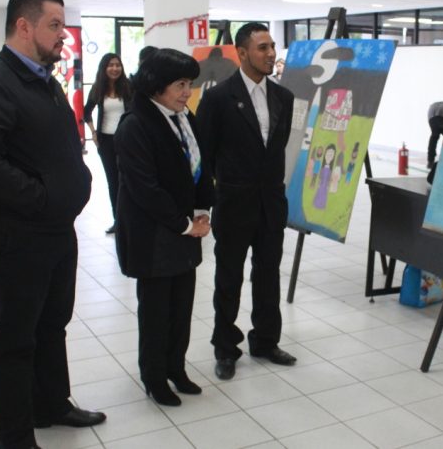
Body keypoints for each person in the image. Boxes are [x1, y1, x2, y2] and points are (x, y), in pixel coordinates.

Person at [0, 0, 104, 449]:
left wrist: (74, 182)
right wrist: (42, 197)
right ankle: (16, 437)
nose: (63, 35)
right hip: (13, 235)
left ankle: (52, 404)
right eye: (54, 25)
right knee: (15, 339)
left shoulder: (44, 80)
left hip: (54, 231)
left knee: (52, 324)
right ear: (24, 26)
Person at [114, 48, 214, 406]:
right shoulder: (135, 124)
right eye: (180, 85)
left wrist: (202, 211)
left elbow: (200, 167)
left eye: (189, 84)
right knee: (156, 312)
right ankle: (154, 377)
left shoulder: (183, 117)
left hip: (185, 231)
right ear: (156, 85)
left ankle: (176, 368)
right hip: (155, 234)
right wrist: (185, 225)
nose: (188, 92)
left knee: (181, 307)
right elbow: (145, 188)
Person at [196, 22, 296, 381]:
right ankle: (226, 347)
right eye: (262, 48)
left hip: (271, 203)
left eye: (272, 47)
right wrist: (206, 204)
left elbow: (276, 150)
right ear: (241, 53)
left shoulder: (283, 97)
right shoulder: (218, 98)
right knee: (228, 279)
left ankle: (266, 340)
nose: (271, 54)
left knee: (268, 275)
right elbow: (204, 156)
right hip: (234, 203)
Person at [83, 53, 132, 234]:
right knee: (113, 181)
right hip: (106, 141)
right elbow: (86, 112)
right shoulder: (98, 88)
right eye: (110, 65)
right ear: (104, 68)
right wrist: (93, 132)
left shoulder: (128, 87)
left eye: (117, 65)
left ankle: (130, 219)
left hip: (126, 141)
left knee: (127, 179)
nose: (114, 68)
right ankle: (118, 220)